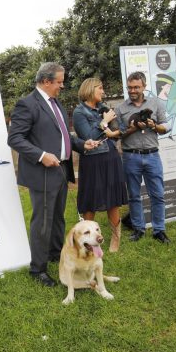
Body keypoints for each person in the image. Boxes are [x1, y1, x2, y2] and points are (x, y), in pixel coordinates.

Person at [8, 62, 101, 287]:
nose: (62, 85)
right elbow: (14, 138)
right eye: (59, 82)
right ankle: (37, 269)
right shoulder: (27, 104)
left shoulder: (54, 102)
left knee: (57, 217)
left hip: (61, 170)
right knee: (43, 221)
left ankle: (54, 254)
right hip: (43, 173)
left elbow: (62, 134)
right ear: (46, 81)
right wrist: (41, 155)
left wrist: (81, 144)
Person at [72, 78, 128, 252]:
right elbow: (88, 135)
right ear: (90, 90)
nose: (103, 92)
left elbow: (117, 132)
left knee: (112, 199)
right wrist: (104, 122)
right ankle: (88, 239)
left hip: (110, 157)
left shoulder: (104, 109)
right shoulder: (79, 112)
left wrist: (112, 126)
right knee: (91, 200)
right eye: (100, 88)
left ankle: (116, 237)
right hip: (92, 161)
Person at [116, 71, 171, 244]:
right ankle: (138, 229)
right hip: (130, 156)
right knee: (133, 195)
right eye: (130, 87)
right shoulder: (121, 108)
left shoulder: (155, 103)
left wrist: (154, 126)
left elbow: (166, 126)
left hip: (152, 155)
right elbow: (117, 135)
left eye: (136, 87)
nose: (132, 90)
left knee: (158, 195)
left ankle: (159, 230)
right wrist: (131, 128)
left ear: (144, 87)